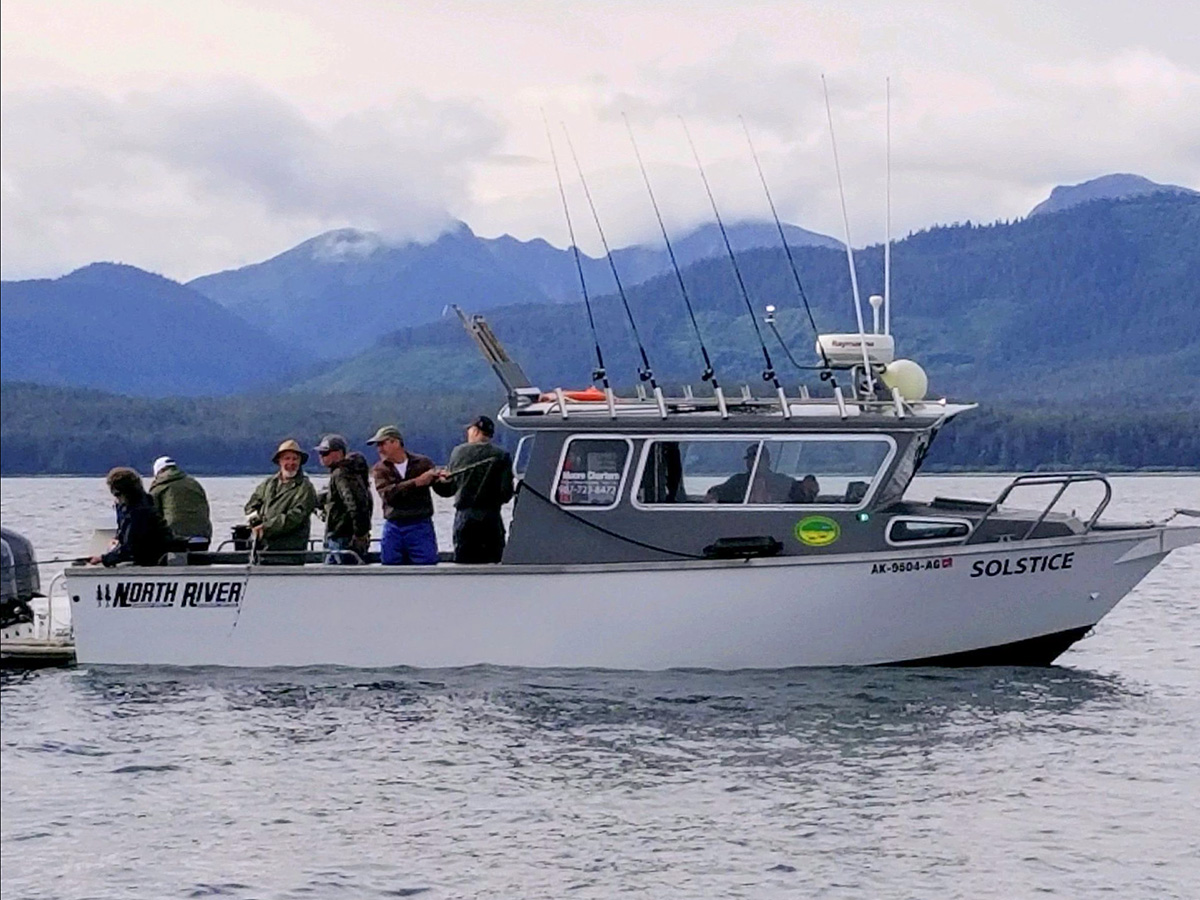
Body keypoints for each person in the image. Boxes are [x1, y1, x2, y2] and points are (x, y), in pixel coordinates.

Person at [433, 415, 514, 563]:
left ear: (476, 431)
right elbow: (506, 493)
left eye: (469, 430)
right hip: (492, 518)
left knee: (464, 563)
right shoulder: (502, 455)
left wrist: (436, 481)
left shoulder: (459, 452)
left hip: (465, 517)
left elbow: (448, 489)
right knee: (494, 562)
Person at [367, 426, 439, 566]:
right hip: (394, 525)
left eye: (382, 444)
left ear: (396, 442)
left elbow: (445, 491)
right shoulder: (380, 469)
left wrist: (444, 480)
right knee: (389, 564)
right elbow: (388, 495)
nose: (379, 449)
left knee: (426, 565)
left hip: (420, 525)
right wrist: (417, 482)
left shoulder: (423, 463)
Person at [244, 439, 318, 565]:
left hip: (289, 554)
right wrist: (255, 523)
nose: (291, 463)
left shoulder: (305, 487)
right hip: (262, 551)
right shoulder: (268, 484)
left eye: (295, 459)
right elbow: (250, 506)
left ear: (300, 462)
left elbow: (296, 516)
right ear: (279, 461)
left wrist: (266, 528)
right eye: (287, 458)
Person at [89, 467, 173, 567]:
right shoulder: (145, 504)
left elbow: (131, 548)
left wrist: (103, 559)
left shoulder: (137, 513)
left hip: (149, 561)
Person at [314, 434, 372, 564]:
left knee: (335, 579)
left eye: (325, 453)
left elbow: (354, 503)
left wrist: (359, 534)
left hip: (341, 537)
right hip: (343, 536)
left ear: (339, 453)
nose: (321, 457)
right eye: (320, 453)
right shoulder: (352, 473)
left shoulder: (341, 473)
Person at [148, 456, 213, 550]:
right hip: (203, 536)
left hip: (176, 539)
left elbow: (152, 516)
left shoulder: (159, 487)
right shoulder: (194, 484)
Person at [706, 445, 801, 504]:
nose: (754, 463)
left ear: (768, 462)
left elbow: (799, 494)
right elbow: (720, 491)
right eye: (750, 459)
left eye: (758, 459)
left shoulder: (782, 481)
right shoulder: (738, 480)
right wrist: (714, 494)